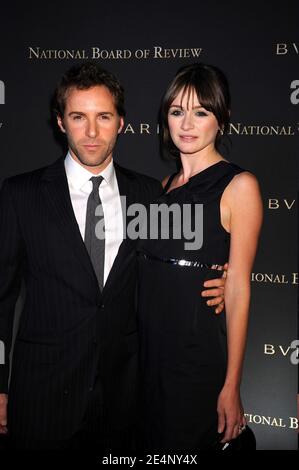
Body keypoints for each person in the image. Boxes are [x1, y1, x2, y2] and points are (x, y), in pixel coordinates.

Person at [0, 62, 226, 450]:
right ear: (60, 122)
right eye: (78, 117)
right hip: (42, 395)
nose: (91, 132)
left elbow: (169, 268)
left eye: (103, 117)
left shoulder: (149, 195)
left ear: (121, 122)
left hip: (124, 402)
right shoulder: (21, 195)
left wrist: (224, 281)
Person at [137, 63, 263, 451]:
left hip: (194, 361)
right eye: (177, 112)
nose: (186, 123)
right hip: (146, 360)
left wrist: (232, 385)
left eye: (201, 112)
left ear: (221, 119)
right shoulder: (159, 188)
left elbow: (239, 289)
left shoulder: (238, 186)